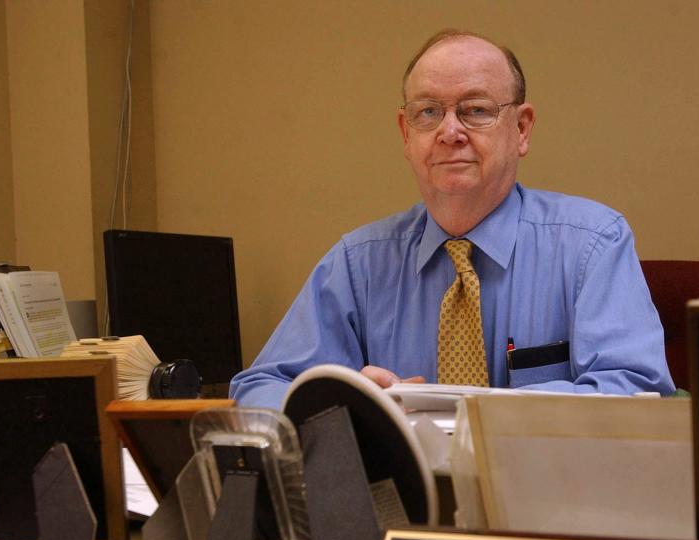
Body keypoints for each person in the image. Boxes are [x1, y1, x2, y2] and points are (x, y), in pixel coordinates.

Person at [231, 29, 674, 408]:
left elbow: (636, 392)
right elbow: (257, 389)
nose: (449, 132)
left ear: (522, 129)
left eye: (476, 109)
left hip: (549, 499)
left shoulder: (592, 245)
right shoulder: (357, 263)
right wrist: (343, 403)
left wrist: (477, 415)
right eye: (428, 112)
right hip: (403, 503)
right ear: (407, 134)